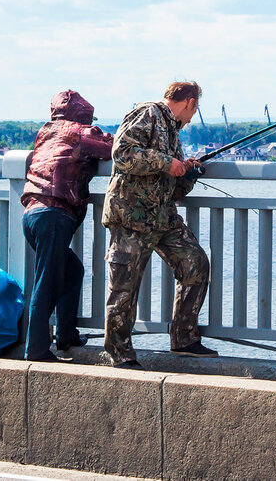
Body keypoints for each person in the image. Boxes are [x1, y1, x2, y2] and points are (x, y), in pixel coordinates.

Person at [102, 80, 217, 369]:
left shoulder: (173, 132)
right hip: (130, 216)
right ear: (190, 102)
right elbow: (122, 152)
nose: (192, 118)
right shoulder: (148, 113)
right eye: (195, 110)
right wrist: (167, 162)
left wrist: (187, 174)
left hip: (162, 217)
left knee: (195, 262)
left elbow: (173, 189)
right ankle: (119, 354)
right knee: (124, 288)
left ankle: (184, 339)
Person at [21, 90, 113, 361]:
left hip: (32, 214)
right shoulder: (79, 132)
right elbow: (113, 148)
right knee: (46, 282)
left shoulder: (45, 133)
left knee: (72, 272)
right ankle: (36, 350)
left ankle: (66, 335)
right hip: (53, 215)